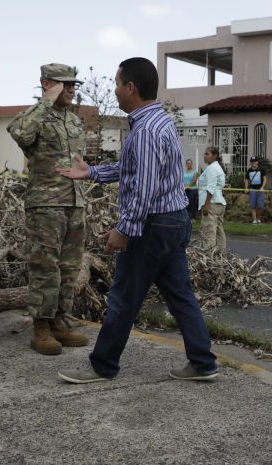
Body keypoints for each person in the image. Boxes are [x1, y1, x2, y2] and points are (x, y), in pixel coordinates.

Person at [56, 57, 218, 383]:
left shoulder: (144, 131)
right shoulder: (160, 122)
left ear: (131, 88)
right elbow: (135, 170)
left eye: (116, 83)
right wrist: (92, 172)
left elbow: (143, 188)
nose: (114, 90)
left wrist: (124, 229)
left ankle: (102, 364)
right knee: (181, 296)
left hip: (152, 225)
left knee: (122, 298)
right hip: (173, 221)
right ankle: (203, 362)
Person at [8, 64, 89, 355]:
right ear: (46, 85)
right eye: (63, 84)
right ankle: (40, 327)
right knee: (45, 267)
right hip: (46, 204)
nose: (70, 89)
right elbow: (19, 134)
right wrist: (45, 102)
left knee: (69, 267)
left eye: (73, 84)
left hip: (74, 202)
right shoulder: (35, 116)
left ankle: (58, 321)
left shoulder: (74, 121)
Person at [198, 146, 227, 252]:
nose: (204, 156)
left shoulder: (211, 168)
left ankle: (209, 260)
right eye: (204, 154)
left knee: (209, 233)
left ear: (215, 156)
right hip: (219, 203)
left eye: (207, 154)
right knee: (219, 232)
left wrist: (206, 205)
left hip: (212, 203)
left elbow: (210, 188)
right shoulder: (218, 167)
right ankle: (221, 259)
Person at [245, 156, 267, 225]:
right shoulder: (249, 170)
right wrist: (246, 188)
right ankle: (254, 220)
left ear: (257, 162)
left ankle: (258, 218)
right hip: (252, 190)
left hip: (260, 190)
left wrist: (262, 187)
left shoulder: (261, 169)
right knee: (253, 205)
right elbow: (246, 179)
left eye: (254, 162)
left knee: (260, 206)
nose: (253, 163)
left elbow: (265, 179)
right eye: (252, 162)